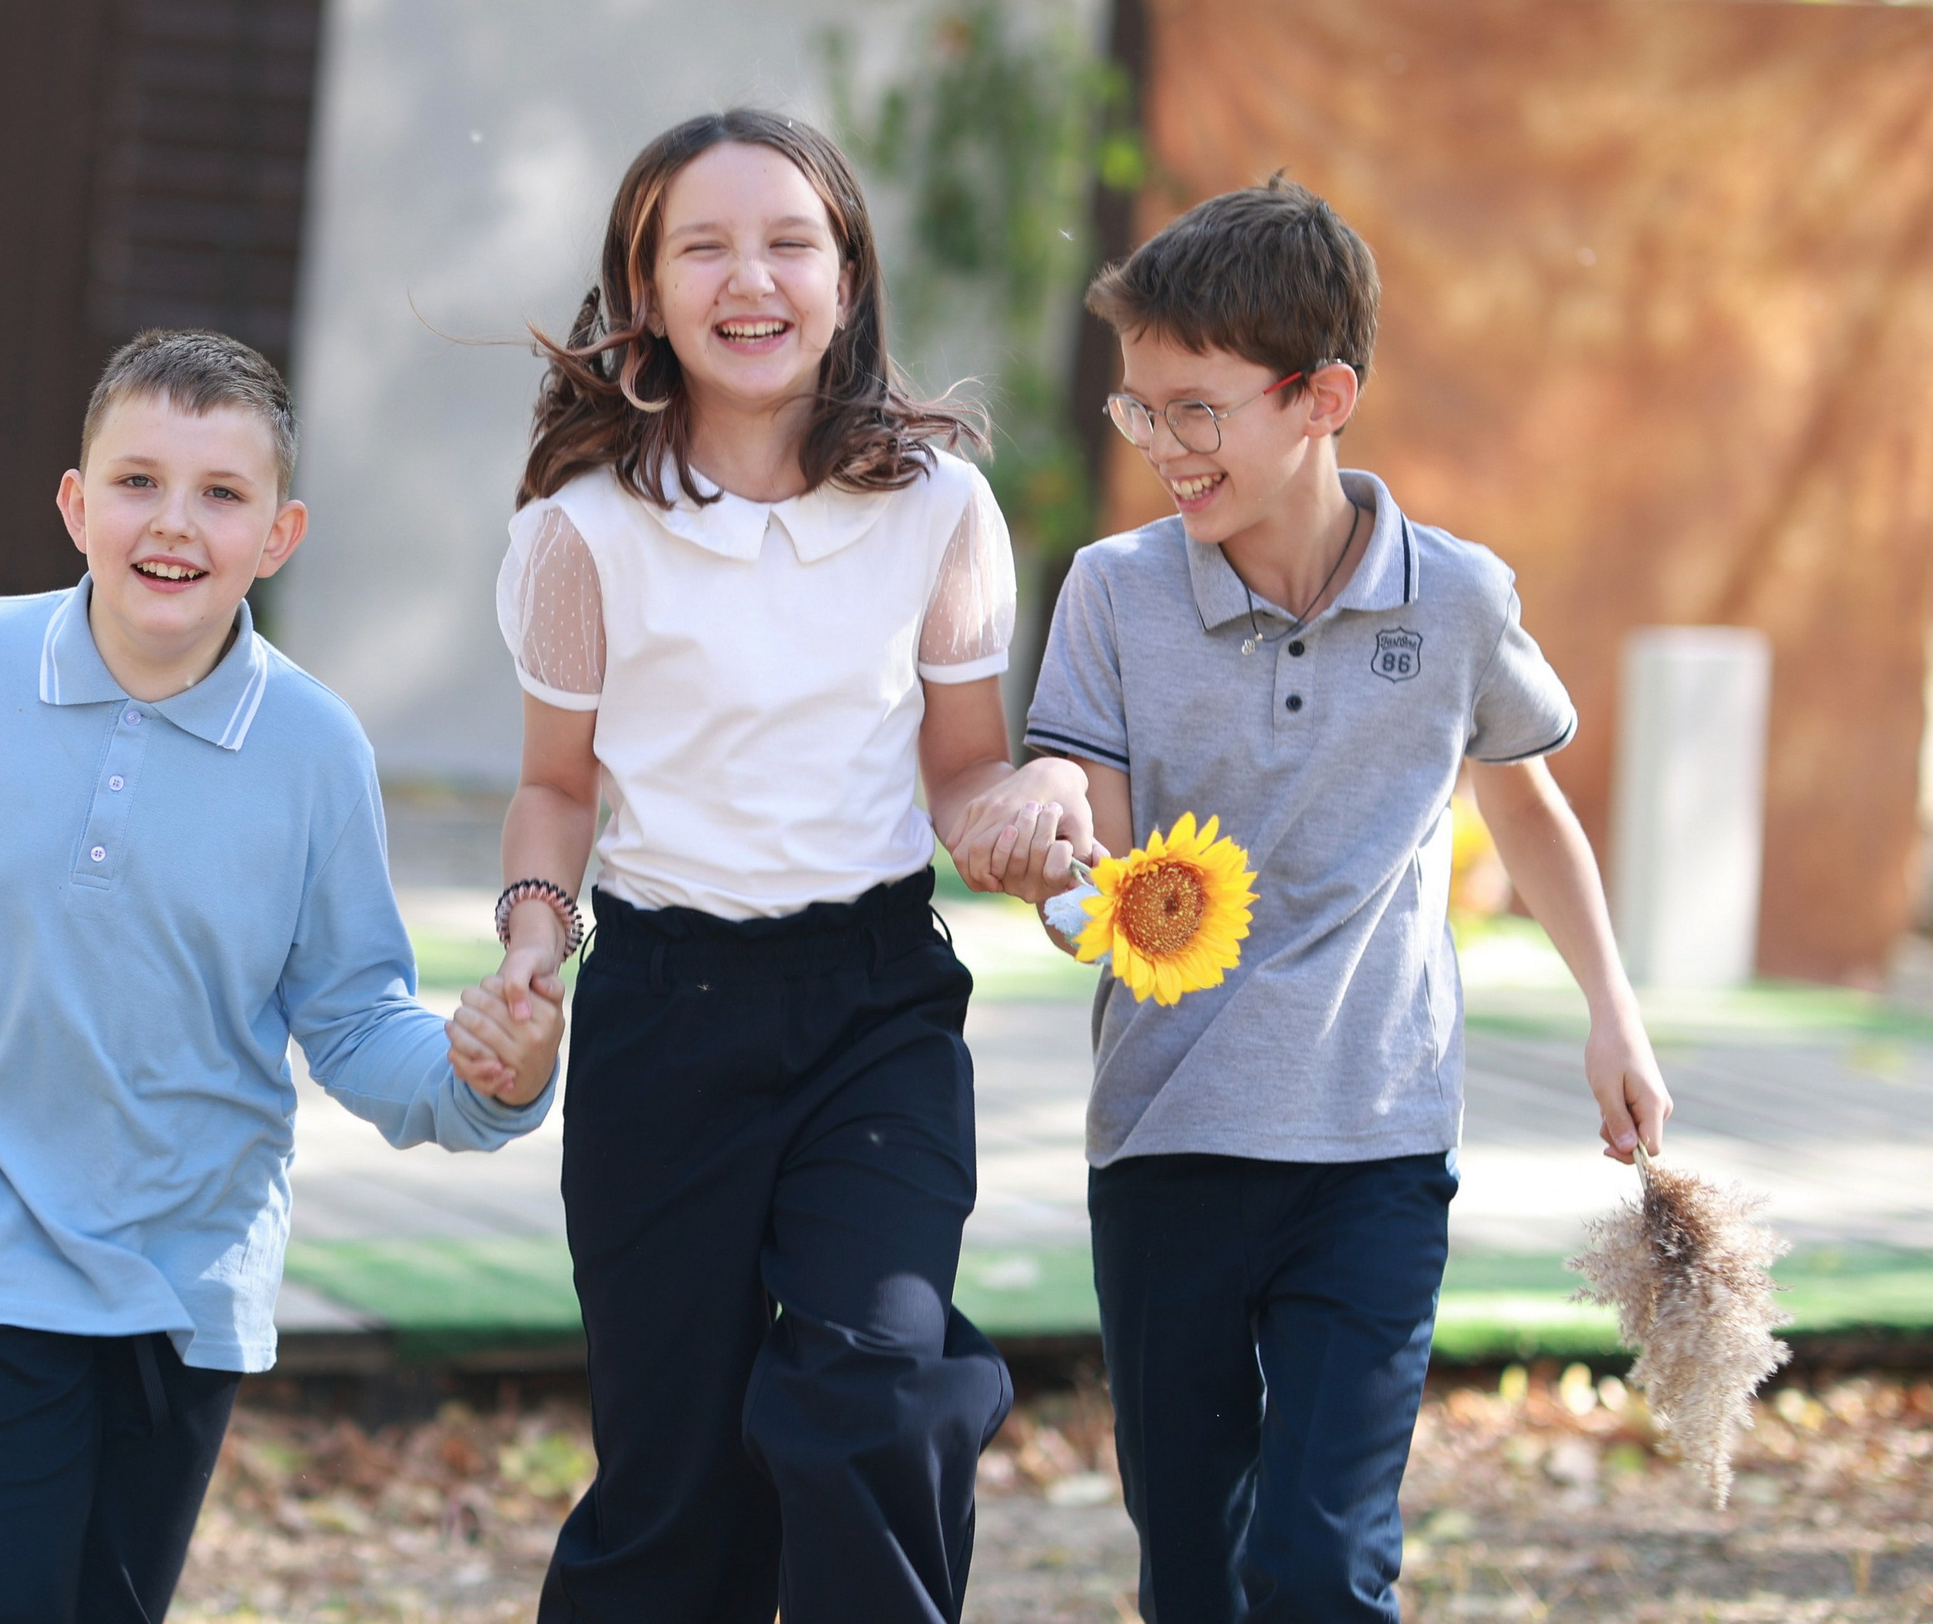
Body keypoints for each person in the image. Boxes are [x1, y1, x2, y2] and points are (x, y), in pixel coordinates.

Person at [0, 330, 563, 1624]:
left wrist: (484, 1082)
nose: (173, 523)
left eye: (220, 494)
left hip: (187, 1275)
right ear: (75, 505)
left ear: (278, 535)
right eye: (137, 482)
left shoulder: (314, 747)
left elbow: (350, 1017)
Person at [958, 178, 1674, 1622]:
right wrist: (1049, 853)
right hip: (1166, 1139)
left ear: (1322, 397)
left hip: (1375, 1147)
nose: (1164, 446)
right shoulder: (1112, 594)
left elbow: (1526, 805)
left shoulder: (1458, 599)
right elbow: (1092, 855)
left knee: (1325, 1561)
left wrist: (1615, 1012)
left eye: (1197, 411)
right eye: (1141, 410)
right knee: (1194, 1570)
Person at [470, 109, 1021, 1624]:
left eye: (788, 242)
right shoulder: (583, 532)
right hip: (665, 1014)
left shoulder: (940, 510)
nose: (750, 278)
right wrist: (533, 942)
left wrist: (1027, 826)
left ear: (847, 278)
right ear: (645, 290)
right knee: (675, 1492)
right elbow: (554, 787)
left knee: (880, 1390)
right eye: (702, 247)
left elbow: (966, 772)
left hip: (876, 1011)